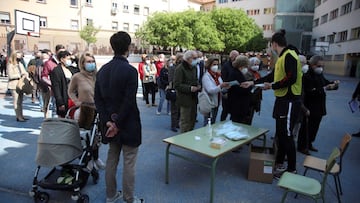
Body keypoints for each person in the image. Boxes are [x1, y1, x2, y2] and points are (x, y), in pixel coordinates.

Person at [242, 29, 303, 178]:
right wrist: (253, 83)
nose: (270, 49)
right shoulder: (282, 57)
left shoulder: (289, 56)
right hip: (282, 100)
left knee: (287, 136)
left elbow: (291, 78)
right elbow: (271, 76)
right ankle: (280, 164)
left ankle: (292, 169)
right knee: (281, 135)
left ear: (274, 44)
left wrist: (273, 86)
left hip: (289, 101)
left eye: (270, 46)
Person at [94, 31, 143, 203]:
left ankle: (110, 195)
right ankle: (129, 198)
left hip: (109, 125)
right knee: (129, 163)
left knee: (112, 160)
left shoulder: (102, 71)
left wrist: (109, 121)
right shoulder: (130, 71)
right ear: (128, 47)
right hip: (128, 124)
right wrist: (117, 122)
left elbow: (98, 100)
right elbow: (129, 101)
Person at [67, 52, 105, 170]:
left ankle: (96, 157)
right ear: (82, 64)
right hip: (85, 109)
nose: (91, 63)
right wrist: (76, 102)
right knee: (86, 137)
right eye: (88, 62)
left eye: (92, 61)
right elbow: (70, 91)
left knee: (97, 137)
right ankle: (88, 160)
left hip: (98, 109)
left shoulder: (98, 76)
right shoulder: (77, 77)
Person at [297, 55, 340, 153]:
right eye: (319, 66)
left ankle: (310, 143)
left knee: (315, 127)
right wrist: (325, 88)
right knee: (306, 128)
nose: (321, 68)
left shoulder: (319, 75)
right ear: (312, 65)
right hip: (310, 106)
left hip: (319, 106)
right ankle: (302, 146)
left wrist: (334, 84)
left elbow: (325, 83)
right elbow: (309, 92)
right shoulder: (307, 76)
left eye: (322, 66)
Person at [174, 50, 201, 133]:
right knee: (185, 121)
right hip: (184, 99)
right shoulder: (180, 68)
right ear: (189, 58)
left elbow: (196, 80)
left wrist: (198, 85)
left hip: (193, 98)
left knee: (193, 119)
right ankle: (183, 140)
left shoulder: (194, 68)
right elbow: (177, 85)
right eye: (195, 58)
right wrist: (190, 88)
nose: (197, 60)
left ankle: (190, 138)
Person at [49, 50, 79, 118]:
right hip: (64, 98)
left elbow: (80, 68)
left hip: (73, 98)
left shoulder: (71, 69)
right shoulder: (56, 71)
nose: (70, 60)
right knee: (64, 118)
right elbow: (56, 88)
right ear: (62, 59)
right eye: (68, 59)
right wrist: (60, 103)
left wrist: (76, 59)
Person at [201, 56, 229, 125]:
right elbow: (210, 90)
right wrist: (221, 86)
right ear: (209, 65)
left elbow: (221, 87)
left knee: (213, 121)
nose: (216, 66)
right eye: (214, 64)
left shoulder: (217, 75)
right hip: (209, 102)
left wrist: (226, 87)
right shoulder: (206, 76)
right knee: (208, 123)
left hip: (216, 102)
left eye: (217, 64)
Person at [228, 55, 253, 124]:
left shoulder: (236, 73)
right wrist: (250, 87)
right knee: (238, 123)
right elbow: (240, 89)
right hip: (238, 104)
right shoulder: (236, 74)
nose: (246, 68)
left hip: (238, 103)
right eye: (245, 66)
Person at [42, 44, 66, 118]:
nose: (62, 54)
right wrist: (53, 84)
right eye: (60, 52)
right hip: (55, 91)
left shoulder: (66, 62)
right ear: (56, 52)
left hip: (65, 92)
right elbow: (43, 76)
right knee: (55, 110)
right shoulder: (49, 63)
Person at [6, 51, 29, 122]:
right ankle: (18, 116)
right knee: (16, 101)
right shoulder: (10, 65)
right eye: (18, 57)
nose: (19, 58)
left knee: (20, 101)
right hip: (14, 84)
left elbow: (24, 72)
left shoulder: (20, 64)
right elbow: (10, 76)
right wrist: (18, 75)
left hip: (21, 84)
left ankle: (21, 115)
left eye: (20, 57)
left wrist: (25, 74)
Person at [220, 50, 239, 121]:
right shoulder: (226, 66)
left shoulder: (237, 65)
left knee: (234, 110)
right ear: (232, 57)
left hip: (235, 92)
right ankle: (221, 125)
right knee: (225, 110)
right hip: (227, 91)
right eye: (237, 56)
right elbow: (223, 78)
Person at [168, 53, 182, 132]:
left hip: (180, 91)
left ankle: (177, 123)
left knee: (179, 109)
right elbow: (170, 79)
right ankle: (173, 125)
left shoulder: (181, 67)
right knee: (174, 109)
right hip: (174, 90)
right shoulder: (172, 67)